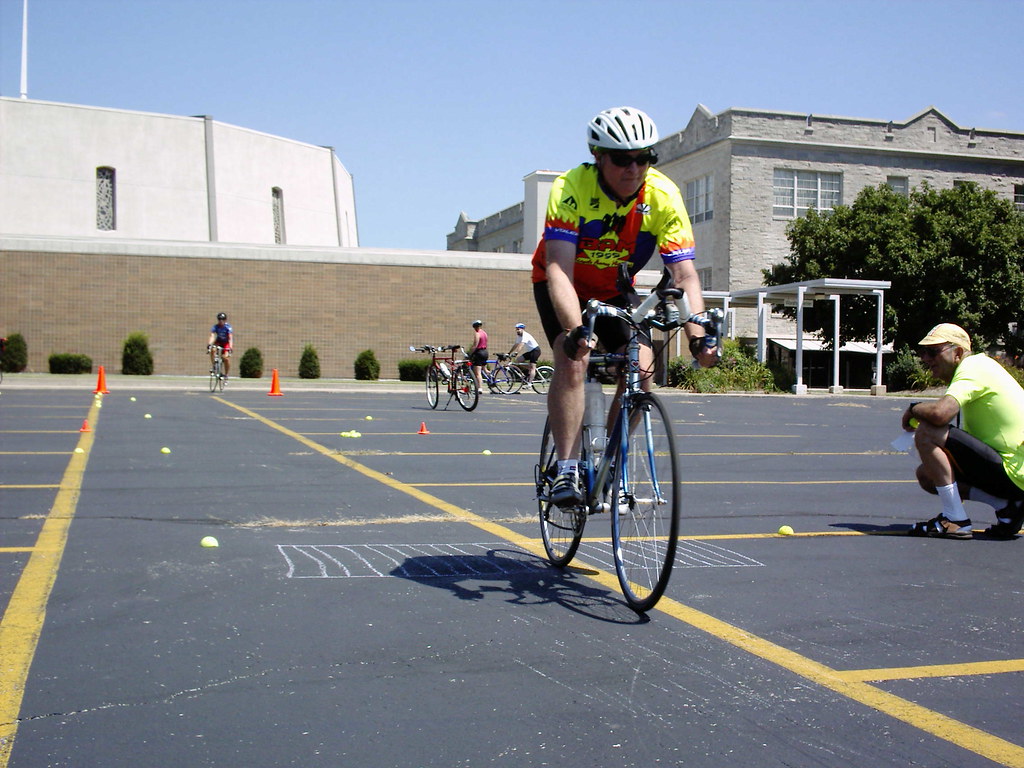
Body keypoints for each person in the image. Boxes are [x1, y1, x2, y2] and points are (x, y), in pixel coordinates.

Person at [531, 106, 717, 507]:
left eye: (644, 157)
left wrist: (699, 337)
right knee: (574, 357)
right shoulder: (570, 188)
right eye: (621, 159)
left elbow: (684, 275)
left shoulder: (663, 195)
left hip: (614, 289)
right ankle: (566, 469)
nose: (634, 168)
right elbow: (558, 268)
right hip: (563, 284)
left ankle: (610, 461)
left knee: (642, 369)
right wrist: (576, 331)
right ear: (598, 156)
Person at [904, 323, 1024, 539]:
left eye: (933, 351)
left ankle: (955, 520)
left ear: (957, 352)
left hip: (1015, 472)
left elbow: (940, 414)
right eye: (923, 352)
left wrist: (914, 409)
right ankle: (1007, 507)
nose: (926, 359)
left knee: (928, 431)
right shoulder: (978, 368)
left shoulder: (973, 367)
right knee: (928, 475)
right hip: (1013, 473)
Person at [207, 312, 233, 378]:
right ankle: (214, 366)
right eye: (219, 319)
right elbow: (212, 336)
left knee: (226, 358)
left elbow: (230, 338)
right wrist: (209, 344)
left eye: (223, 319)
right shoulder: (216, 327)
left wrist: (230, 348)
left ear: (225, 320)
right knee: (212, 350)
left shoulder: (228, 327)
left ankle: (226, 374)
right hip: (218, 342)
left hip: (226, 343)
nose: (221, 321)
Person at [467, 320, 488, 394]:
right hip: (485, 352)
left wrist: (470, 353)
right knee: (485, 369)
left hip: (479, 353)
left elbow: (475, 345)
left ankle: (480, 388)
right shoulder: (484, 333)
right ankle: (492, 379)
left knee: (478, 373)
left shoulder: (477, 334)